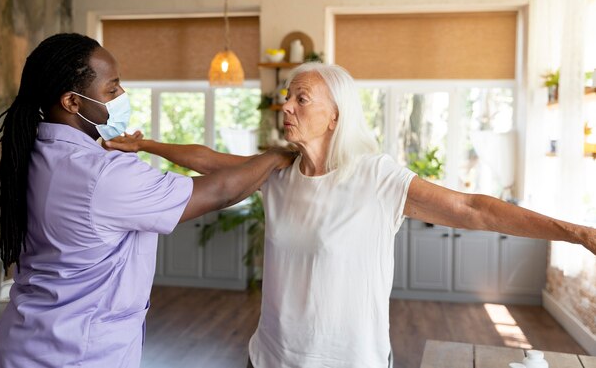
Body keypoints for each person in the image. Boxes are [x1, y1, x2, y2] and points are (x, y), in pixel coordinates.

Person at [106, 62, 596, 368]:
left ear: (336, 115)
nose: (286, 108)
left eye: (302, 99)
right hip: (271, 357)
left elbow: (474, 209)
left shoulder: (377, 178)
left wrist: (573, 232)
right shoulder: (276, 172)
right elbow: (210, 160)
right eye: (286, 98)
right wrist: (145, 143)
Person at [0, 33, 295, 368]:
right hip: (74, 355)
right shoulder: (100, 174)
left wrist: (147, 145)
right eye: (112, 89)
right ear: (72, 102)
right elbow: (218, 191)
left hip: (21, 343)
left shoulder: (34, 152)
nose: (122, 96)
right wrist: (276, 156)